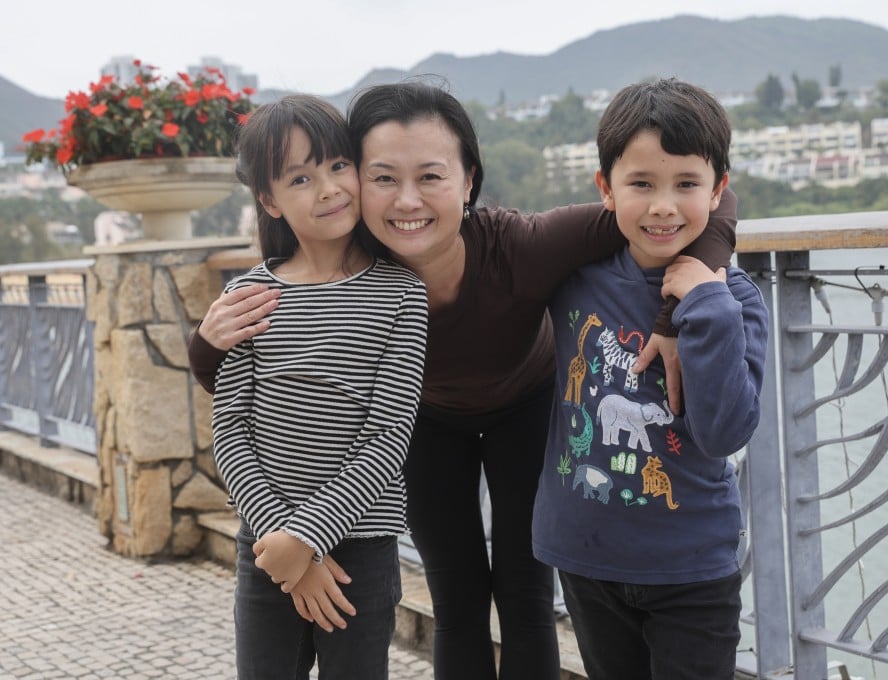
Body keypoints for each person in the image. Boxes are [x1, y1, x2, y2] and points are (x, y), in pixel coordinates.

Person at [190, 81, 737, 680]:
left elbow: (708, 204)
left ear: (468, 180)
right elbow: (241, 382)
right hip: (423, 421)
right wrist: (206, 339)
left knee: (525, 599)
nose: (407, 201)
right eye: (383, 178)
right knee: (457, 602)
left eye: (430, 176)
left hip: (525, 408)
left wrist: (677, 311)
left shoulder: (523, 245)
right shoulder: (357, 257)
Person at [532, 78, 769, 680]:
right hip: (586, 558)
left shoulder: (736, 300)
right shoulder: (573, 278)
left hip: (692, 567)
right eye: (642, 184)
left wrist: (708, 306)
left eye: (686, 185)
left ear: (717, 191)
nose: (663, 206)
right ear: (605, 189)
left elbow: (724, 433)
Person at [210, 94, 429, 680]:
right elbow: (230, 430)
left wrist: (308, 537)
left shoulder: (402, 294)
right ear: (269, 199)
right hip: (266, 546)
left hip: (361, 544)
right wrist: (284, 544)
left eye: (338, 166)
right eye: (301, 178)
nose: (329, 188)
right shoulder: (249, 299)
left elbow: (387, 438)